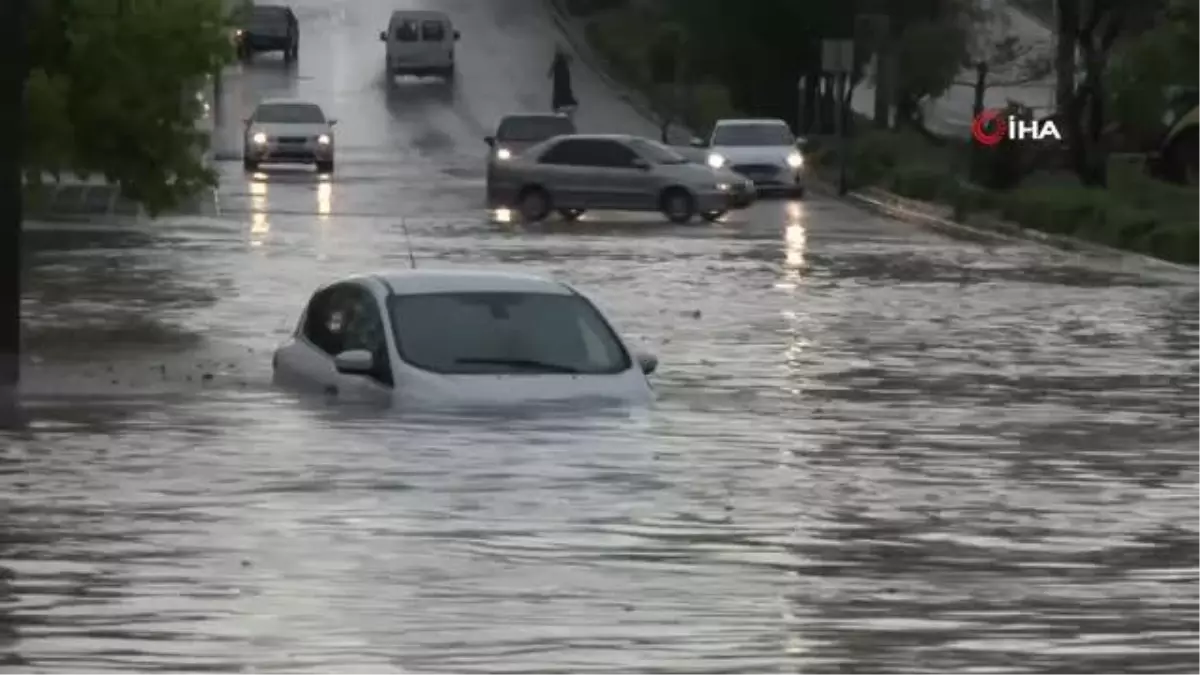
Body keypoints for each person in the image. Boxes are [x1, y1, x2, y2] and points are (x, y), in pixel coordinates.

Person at [548, 45, 577, 114]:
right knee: (563, 89)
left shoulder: (558, 62)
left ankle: (560, 103)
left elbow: (551, 71)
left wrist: (550, 73)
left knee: (560, 89)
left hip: (561, 77)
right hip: (563, 77)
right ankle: (564, 102)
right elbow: (570, 60)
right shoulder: (560, 62)